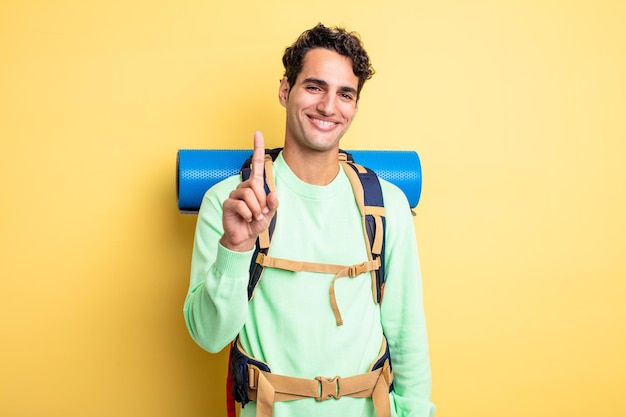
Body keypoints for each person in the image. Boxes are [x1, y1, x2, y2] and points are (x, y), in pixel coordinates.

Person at [184, 23, 435, 417]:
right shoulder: (229, 203)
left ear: (355, 106)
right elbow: (209, 337)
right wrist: (235, 247)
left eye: (345, 94)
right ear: (286, 90)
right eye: (315, 87)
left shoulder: (388, 205)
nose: (329, 107)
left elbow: (408, 336)